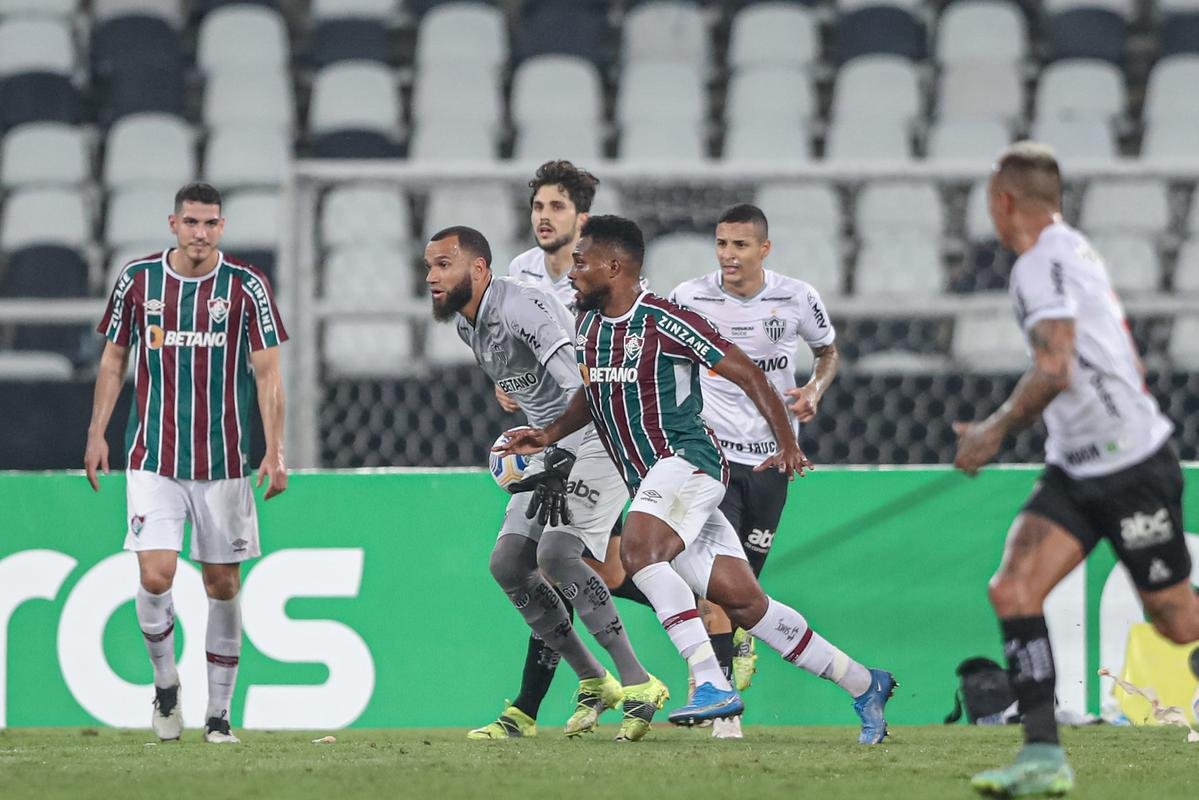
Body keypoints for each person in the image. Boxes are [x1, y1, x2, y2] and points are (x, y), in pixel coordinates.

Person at [496, 215, 896, 742]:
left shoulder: (665, 320)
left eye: (581, 261)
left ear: (614, 267)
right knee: (747, 604)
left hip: (689, 461)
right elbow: (593, 398)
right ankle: (864, 683)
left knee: (639, 551)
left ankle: (709, 680)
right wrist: (547, 435)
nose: (572, 271)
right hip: (654, 482)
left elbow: (748, 372)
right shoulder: (589, 325)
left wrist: (787, 441)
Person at [954, 141, 1199, 797]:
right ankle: (1041, 756)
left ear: (1005, 202)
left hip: (1129, 465)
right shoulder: (1069, 252)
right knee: (1013, 590)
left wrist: (992, 431)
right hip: (1075, 466)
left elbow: (1055, 366)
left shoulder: (1040, 263)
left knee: (1177, 623)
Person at [425, 224, 667, 742]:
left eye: (444, 264)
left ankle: (639, 682)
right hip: (550, 446)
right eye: (429, 267)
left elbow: (587, 388)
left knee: (557, 555)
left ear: (479, 269)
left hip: (600, 434)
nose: (431, 277)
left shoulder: (521, 308)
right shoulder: (468, 326)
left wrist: (560, 459)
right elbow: (526, 389)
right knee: (509, 563)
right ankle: (593, 679)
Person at [83, 182, 288, 744]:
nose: (200, 233)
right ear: (173, 224)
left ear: (222, 227)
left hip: (223, 461)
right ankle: (166, 682)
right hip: (153, 455)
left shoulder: (246, 286)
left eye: (210, 223)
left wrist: (274, 450)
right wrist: (97, 433)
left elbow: (268, 373)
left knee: (222, 585)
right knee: (156, 573)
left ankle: (218, 715)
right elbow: (114, 359)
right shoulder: (138, 280)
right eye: (191, 222)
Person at [471, 160, 654, 740]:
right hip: (549, 437)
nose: (544, 217)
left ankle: (703, 617)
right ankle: (702, 609)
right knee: (545, 564)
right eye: (538, 207)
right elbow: (510, 352)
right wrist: (509, 382)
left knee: (568, 560)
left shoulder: (600, 274)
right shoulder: (519, 274)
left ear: (583, 218)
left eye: (557, 207)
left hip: (598, 433)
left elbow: (610, 355)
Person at [669, 203, 840, 737]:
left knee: (745, 590)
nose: (728, 255)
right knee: (717, 586)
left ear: (764, 249)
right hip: (712, 457)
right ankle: (723, 709)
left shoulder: (797, 297)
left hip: (771, 459)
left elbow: (828, 351)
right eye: (722, 244)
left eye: (740, 245)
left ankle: (740, 638)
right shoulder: (689, 298)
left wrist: (814, 389)